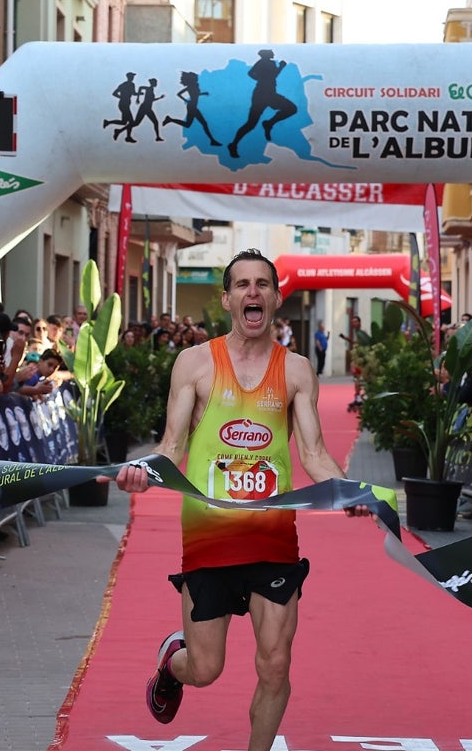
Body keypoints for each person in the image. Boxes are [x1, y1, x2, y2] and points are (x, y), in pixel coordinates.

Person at [107, 249, 368, 751]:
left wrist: (348, 490)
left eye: (263, 284)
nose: (253, 292)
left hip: (273, 537)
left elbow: (314, 454)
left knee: (275, 664)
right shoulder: (195, 362)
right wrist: (142, 470)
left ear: (275, 298)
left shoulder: (295, 370)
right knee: (205, 669)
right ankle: (172, 663)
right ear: (226, 299)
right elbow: (173, 446)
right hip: (209, 537)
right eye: (242, 284)